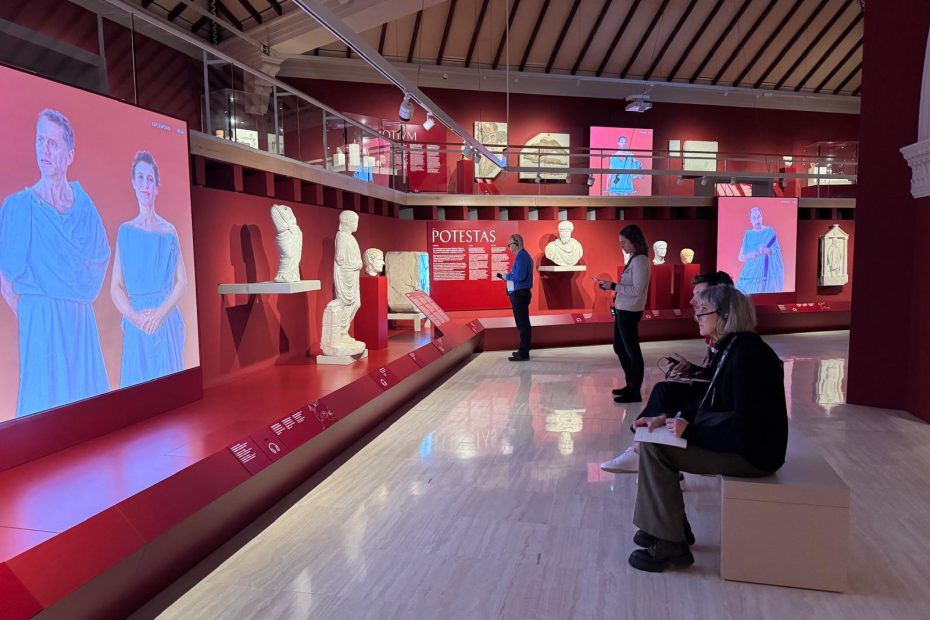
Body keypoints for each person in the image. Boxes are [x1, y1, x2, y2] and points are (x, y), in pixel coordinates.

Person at [628, 285, 788, 573]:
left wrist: (690, 431)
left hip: (754, 454)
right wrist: (667, 418)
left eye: (703, 311)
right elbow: (713, 402)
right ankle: (669, 527)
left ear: (726, 315)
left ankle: (671, 543)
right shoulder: (735, 347)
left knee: (655, 449)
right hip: (745, 444)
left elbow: (747, 426)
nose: (697, 317)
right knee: (654, 438)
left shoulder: (748, 355)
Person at [0, 108, 110, 417]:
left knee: (88, 414)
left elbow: (99, 262)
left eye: (53, 143)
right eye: (40, 140)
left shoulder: (84, 207)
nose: (44, 150)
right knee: (44, 414)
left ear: (69, 154)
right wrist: (34, 314)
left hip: (80, 325)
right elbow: (6, 277)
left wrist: (66, 302)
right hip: (41, 326)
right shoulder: (18, 207)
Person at [600, 271, 734, 474]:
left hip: (719, 405)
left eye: (700, 296)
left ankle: (643, 452)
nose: (692, 301)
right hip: (715, 395)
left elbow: (728, 388)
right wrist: (692, 369)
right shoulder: (716, 335)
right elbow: (719, 372)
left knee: (666, 394)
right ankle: (643, 450)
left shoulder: (735, 342)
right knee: (663, 390)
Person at [110, 151, 187, 389]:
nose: (145, 184)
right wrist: (135, 318)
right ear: (133, 183)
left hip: (165, 321)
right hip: (137, 325)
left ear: (156, 186)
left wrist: (160, 314)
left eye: (150, 179)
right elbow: (115, 287)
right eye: (141, 178)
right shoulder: (125, 231)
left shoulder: (169, 231)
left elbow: (182, 282)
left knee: (169, 389)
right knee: (138, 390)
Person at [596, 225, 650, 402]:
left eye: (624, 242)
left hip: (630, 310)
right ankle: (630, 385)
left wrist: (613, 286)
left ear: (634, 241)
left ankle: (635, 390)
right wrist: (612, 287)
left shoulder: (640, 261)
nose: (622, 246)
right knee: (620, 347)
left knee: (632, 351)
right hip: (623, 309)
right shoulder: (635, 260)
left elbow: (637, 289)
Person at [497, 234, 532, 362]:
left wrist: (507, 277)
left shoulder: (522, 256)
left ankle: (523, 352)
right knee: (522, 323)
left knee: (522, 324)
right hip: (520, 293)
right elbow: (519, 274)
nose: (509, 247)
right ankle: (523, 350)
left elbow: (521, 276)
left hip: (520, 294)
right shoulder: (522, 256)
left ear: (517, 243)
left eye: (510, 244)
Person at [735, 207, 784, 294]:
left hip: (767, 276)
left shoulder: (769, 231)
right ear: (750, 220)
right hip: (750, 275)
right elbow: (740, 257)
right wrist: (749, 256)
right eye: (754, 218)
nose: (757, 220)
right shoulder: (748, 234)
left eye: (758, 217)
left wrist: (767, 250)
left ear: (762, 217)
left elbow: (777, 252)